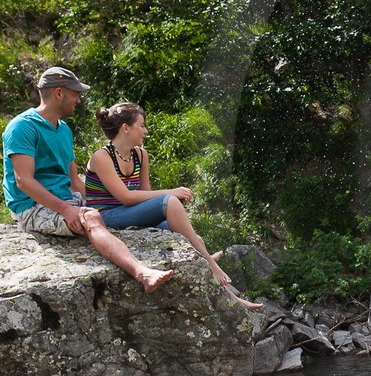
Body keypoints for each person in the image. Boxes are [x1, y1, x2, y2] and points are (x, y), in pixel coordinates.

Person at [1, 67, 173, 292]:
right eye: (75, 93)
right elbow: (23, 180)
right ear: (59, 93)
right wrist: (67, 209)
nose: (79, 100)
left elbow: (74, 181)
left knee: (157, 223)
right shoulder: (22, 127)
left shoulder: (64, 130)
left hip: (66, 199)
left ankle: (204, 257)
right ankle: (143, 273)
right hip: (32, 207)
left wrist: (107, 207)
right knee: (92, 218)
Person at [84, 101, 262, 310]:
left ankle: (234, 300)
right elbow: (125, 197)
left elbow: (146, 195)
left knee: (194, 239)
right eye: (141, 125)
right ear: (125, 128)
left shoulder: (140, 154)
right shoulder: (101, 157)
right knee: (170, 201)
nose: (145, 131)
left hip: (130, 214)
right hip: (108, 216)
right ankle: (211, 263)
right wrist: (171, 192)